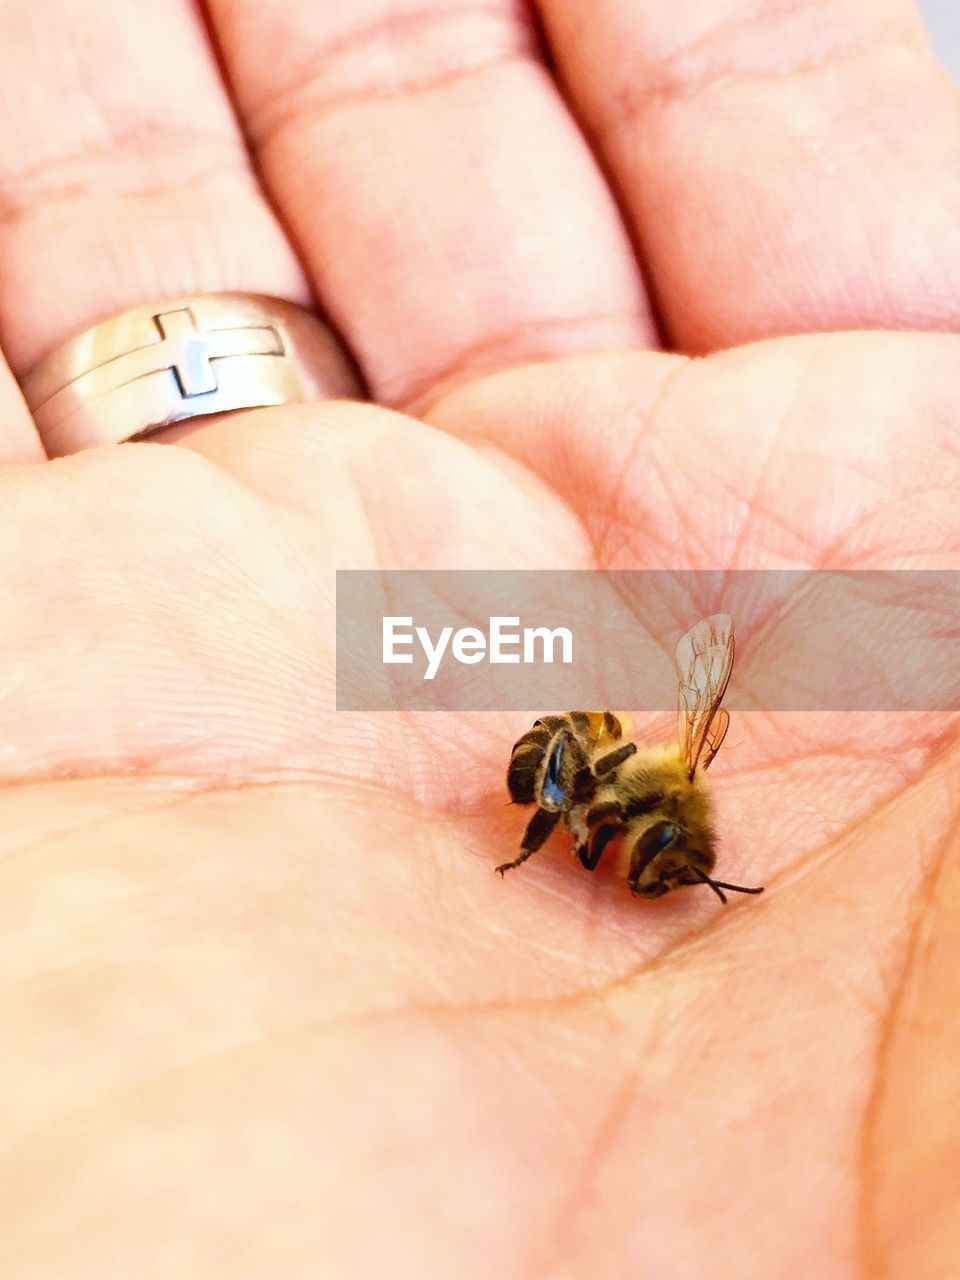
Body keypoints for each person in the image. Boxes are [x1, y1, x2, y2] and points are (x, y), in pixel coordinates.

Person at [0, 1, 957, 1276]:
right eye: (666, 856)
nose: (655, 871)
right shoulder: (608, 794)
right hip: (557, 742)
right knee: (568, 759)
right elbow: (599, 781)